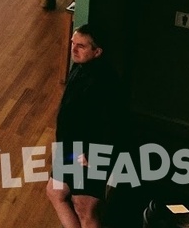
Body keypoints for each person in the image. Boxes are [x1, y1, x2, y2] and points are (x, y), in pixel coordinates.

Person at [47, 24, 126, 228]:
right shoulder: (80, 68)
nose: (73, 49)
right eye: (73, 43)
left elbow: (112, 126)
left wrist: (91, 156)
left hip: (89, 156)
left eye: (81, 46)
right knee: (55, 191)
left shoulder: (105, 82)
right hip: (72, 151)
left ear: (97, 51)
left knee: (84, 208)